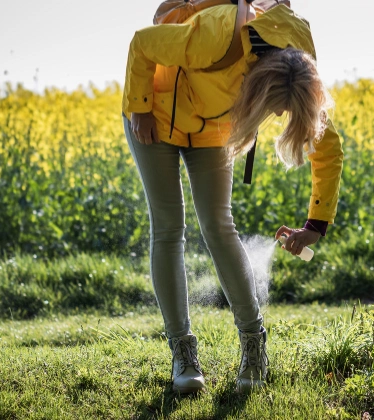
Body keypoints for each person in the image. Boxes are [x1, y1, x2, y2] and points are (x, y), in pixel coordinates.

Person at [121, 0, 344, 394]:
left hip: (211, 128)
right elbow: (142, 43)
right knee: (169, 227)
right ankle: (182, 352)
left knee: (219, 226)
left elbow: (325, 143)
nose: (276, 117)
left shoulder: (298, 53)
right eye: (274, 110)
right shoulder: (215, 36)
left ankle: (254, 344)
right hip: (154, 115)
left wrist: (315, 225)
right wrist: (139, 107)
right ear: (256, 89)